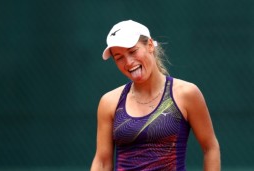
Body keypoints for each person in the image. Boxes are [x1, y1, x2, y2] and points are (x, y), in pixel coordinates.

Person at [90, 20, 220, 171]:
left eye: (133, 51)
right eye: (119, 58)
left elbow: (210, 148)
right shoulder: (109, 102)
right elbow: (102, 162)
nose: (129, 62)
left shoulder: (186, 93)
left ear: (150, 45)